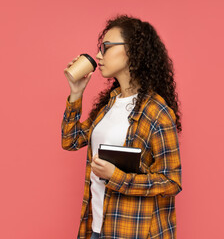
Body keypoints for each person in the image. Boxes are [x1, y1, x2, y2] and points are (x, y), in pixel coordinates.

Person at [61, 14, 182, 239]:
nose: (98, 55)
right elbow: (71, 140)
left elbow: (171, 181)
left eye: (106, 47)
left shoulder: (157, 112)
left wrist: (117, 177)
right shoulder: (111, 103)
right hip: (95, 228)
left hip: (132, 231)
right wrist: (76, 92)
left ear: (133, 51)